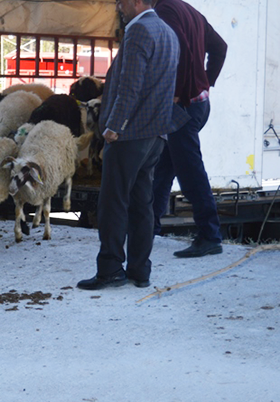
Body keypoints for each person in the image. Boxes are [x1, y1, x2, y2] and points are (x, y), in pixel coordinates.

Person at [77, 0, 185, 290]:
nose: (119, 7)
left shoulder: (139, 31)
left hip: (130, 135)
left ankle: (110, 268)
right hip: (155, 135)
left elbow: (130, 86)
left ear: (138, 2)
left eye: (122, 2)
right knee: (142, 204)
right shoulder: (167, 32)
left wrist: (114, 127)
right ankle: (139, 270)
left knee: (112, 203)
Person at [151, 0, 228, 258]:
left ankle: (210, 236)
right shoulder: (190, 11)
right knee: (164, 165)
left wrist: (178, 92)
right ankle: (148, 227)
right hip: (200, 104)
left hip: (184, 106)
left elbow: (180, 48)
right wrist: (207, 81)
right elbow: (220, 48)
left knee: (189, 172)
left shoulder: (164, 11)